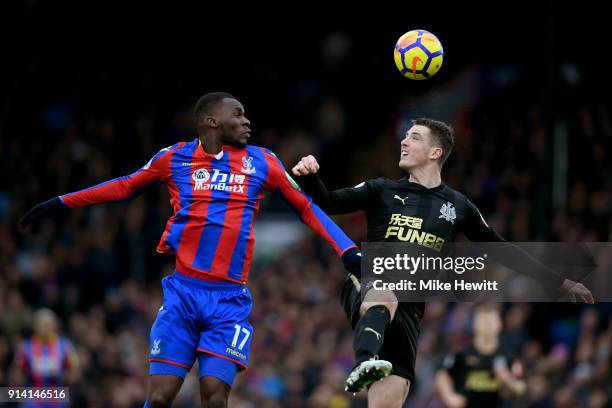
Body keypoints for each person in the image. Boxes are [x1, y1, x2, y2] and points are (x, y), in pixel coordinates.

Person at [21, 92, 361, 408]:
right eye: (238, 115)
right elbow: (125, 186)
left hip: (229, 302)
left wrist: (346, 250)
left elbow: (306, 207)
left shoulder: (263, 162)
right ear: (211, 121)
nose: (247, 122)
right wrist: (61, 202)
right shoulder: (174, 158)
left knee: (214, 397)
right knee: (159, 398)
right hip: (182, 294)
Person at [291, 117, 593, 407]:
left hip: (409, 308)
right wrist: (311, 176)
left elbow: (503, 249)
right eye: (406, 136)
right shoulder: (381, 189)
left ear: (436, 153)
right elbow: (327, 202)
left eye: (414, 137)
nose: (403, 142)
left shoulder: (457, 206)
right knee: (384, 293)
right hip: (368, 280)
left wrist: (557, 281)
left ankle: (370, 363)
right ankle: (364, 362)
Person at [435, 305, 526, 408]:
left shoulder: (510, 355)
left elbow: (522, 388)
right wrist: (449, 397)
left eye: (491, 320)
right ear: (475, 325)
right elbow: (442, 374)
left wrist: (507, 379)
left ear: (499, 324)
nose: (487, 325)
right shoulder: (462, 353)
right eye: (482, 320)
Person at [14, 309, 79, 408]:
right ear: (35, 326)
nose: (46, 327)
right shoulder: (26, 347)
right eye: (43, 324)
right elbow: (17, 374)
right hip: (32, 397)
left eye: (49, 324)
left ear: (54, 325)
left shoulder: (65, 346)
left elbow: (74, 372)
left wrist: (64, 376)